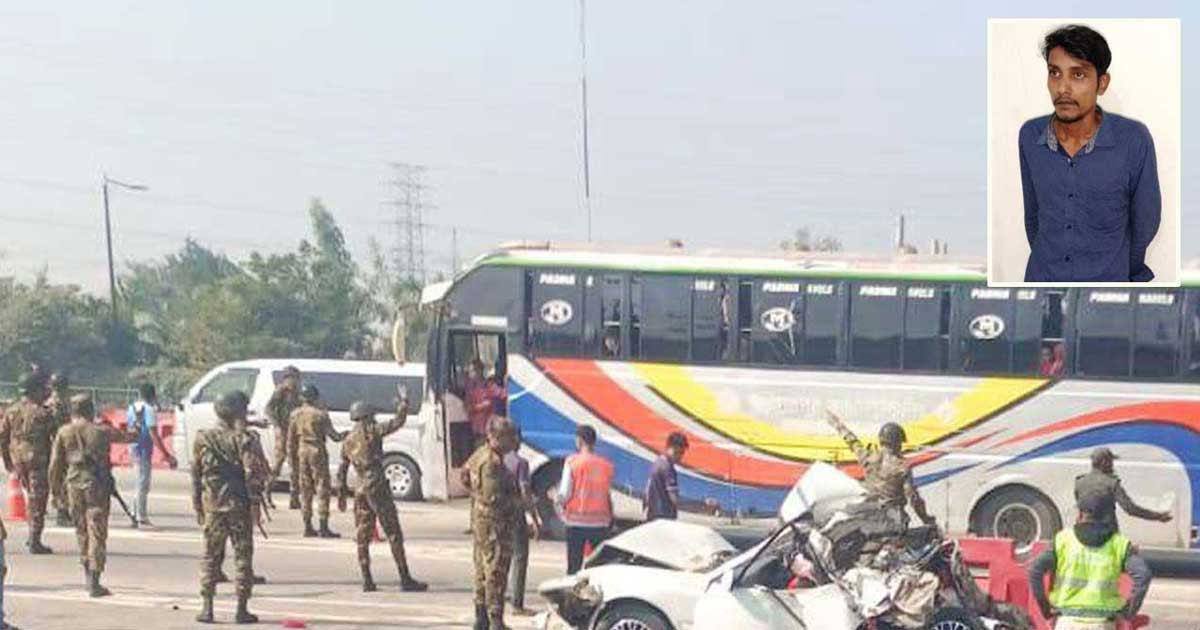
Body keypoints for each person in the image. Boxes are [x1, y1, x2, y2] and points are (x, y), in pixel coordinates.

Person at [1019, 24, 1160, 283]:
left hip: (1108, 290)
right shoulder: (1030, 136)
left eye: (1078, 75)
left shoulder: (1133, 140)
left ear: (1102, 83)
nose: (1063, 88)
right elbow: (1034, 219)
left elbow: (1145, 223)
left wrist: (1110, 270)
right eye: (1054, 73)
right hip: (1043, 285)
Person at [48, 394, 138, 597]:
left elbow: (55, 465)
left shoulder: (64, 432)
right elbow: (130, 436)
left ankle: (87, 574)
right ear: (90, 409)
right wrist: (137, 424)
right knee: (97, 531)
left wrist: (55, 492)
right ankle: (95, 581)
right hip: (97, 485)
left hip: (73, 485)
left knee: (81, 531)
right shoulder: (102, 431)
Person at [336, 399, 427, 593]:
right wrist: (403, 403)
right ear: (367, 416)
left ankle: (367, 579)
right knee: (393, 532)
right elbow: (398, 422)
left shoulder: (348, 440)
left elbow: (342, 469)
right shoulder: (372, 431)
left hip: (360, 487)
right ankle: (404, 578)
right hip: (377, 484)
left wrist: (341, 493)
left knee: (362, 534)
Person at [1029, 492, 1152, 629]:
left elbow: (1035, 570)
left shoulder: (1063, 540)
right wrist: (1128, 612)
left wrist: (1045, 608)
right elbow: (1143, 575)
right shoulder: (1119, 544)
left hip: (1067, 620)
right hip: (1103, 622)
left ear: (1080, 515)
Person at [191, 391, 259, 624]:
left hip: (213, 506)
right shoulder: (244, 439)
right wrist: (256, 502)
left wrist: (197, 504)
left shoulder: (203, 437)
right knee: (243, 556)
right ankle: (241, 609)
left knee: (210, 556)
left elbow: (195, 474)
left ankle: (207, 608)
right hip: (238, 505)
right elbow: (252, 474)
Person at [823, 410, 936, 529]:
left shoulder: (868, 456)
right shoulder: (902, 467)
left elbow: (852, 441)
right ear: (897, 443)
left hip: (868, 514)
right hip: (893, 519)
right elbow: (913, 498)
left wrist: (836, 424)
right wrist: (926, 519)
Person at [462, 416, 521, 630]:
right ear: (495, 437)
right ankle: (495, 619)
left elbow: (465, 477)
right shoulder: (492, 463)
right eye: (508, 437)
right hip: (495, 524)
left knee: (482, 569)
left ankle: (481, 617)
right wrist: (517, 503)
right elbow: (494, 497)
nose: (512, 442)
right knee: (495, 571)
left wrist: (475, 496)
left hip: (481, 522)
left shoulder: (478, 455)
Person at [0, 371, 56, 554]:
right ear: (35, 390)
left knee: (31, 496)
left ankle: (33, 537)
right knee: (37, 499)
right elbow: (56, 438)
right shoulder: (43, 413)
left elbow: (3, 437)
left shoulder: (11, 410)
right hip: (38, 461)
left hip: (18, 460)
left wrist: (7, 460)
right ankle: (34, 539)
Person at [288, 385, 346, 538]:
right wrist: (346, 435)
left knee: (305, 489)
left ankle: (307, 526)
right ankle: (323, 526)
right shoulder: (321, 415)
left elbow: (290, 439)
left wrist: (291, 457)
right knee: (322, 487)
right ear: (316, 397)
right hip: (317, 450)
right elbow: (334, 436)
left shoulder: (295, 414)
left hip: (302, 450)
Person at [555, 425, 614, 574]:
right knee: (598, 567)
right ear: (594, 442)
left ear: (579, 441)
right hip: (600, 522)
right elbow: (607, 494)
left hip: (576, 521)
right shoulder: (606, 465)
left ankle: (574, 595)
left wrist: (555, 499)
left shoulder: (572, 462)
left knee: (574, 566)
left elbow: (565, 493)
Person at [1075, 447, 1172, 538]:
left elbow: (1080, 508)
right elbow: (1131, 509)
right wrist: (1158, 517)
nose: (1113, 465)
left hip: (1084, 534)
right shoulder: (1111, 483)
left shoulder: (1079, 482)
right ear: (1104, 462)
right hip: (1106, 535)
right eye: (1111, 462)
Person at [126, 383, 177, 528]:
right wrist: (166, 454)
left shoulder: (131, 408)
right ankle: (140, 516)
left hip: (133, 448)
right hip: (143, 450)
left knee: (139, 483)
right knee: (143, 484)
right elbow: (153, 433)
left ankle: (136, 514)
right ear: (152, 396)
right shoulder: (149, 410)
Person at [504, 426, 541, 616]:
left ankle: (501, 594)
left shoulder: (497, 459)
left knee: (502, 556)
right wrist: (534, 518)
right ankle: (517, 604)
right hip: (515, 514)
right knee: (520, 557)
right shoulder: (520, 463)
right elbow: (525, 492)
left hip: (498, 514)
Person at [266, 365, 303, 510]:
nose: (295, 381)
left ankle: (294, 498)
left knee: (295, 466)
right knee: (278, 464)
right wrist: (277, 425)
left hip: (294, 432)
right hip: (283, 431)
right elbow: (268, 409)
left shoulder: (298, 393)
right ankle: (267, 493)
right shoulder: (280, 391)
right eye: (292, 378)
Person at [45, 373, 73, 527]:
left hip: (56, 444)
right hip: (60, 444)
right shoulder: (59, 403)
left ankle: (63, 510)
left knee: (61, 478)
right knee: (64, 479)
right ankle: (62, 513)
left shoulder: (51, 402)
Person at [644, 431, 689, 521]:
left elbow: (647, 491)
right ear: (670, 447)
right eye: (678, 452)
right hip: (663, 519)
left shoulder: (657, 462)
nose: (680, 457)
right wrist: (701, 506)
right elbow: (675, 500)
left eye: (682, 453)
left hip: (652, 516)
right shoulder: (667, 468)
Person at [464, 360, 506, 449]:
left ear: (479, 371)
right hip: (477, 429)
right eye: (470, 371)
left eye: (473, 371)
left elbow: (503, 394)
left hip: (490, 428)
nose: (471, 373)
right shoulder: (470, 388)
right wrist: (484, 405)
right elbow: (467, 408)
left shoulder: (489, 385)